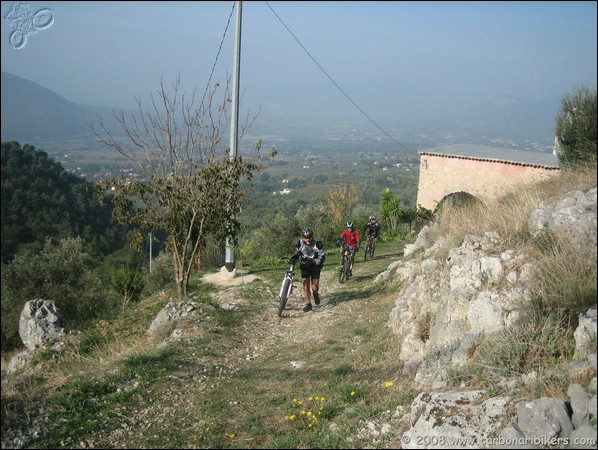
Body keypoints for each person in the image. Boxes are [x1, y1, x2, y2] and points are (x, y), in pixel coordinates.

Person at [290, 227, 325, 312]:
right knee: (305, 284)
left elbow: (322, 257)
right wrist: (294, 258)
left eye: (309, 237)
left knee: (314, 287)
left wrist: (315, 261)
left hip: (315, 266)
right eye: (305, 237)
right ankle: (308, 304)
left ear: (312, 236)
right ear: (303, 237)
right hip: (305, 265)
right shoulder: (300, 243)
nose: (307, 239)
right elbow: (297, 252)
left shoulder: (318, 244)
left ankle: (315, 293)